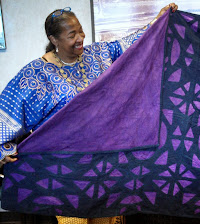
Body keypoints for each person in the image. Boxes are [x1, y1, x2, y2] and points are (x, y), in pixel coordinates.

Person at [0, 3, 178, 224]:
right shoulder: (36, 74)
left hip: (106, 165)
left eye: (81, 30)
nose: (80, 38)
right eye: (71, 34)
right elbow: (7, 112)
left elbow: (132, 45)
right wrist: (2, 148)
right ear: (54, 40)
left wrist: (158, 21)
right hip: (65, 172)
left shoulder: (97, 55)